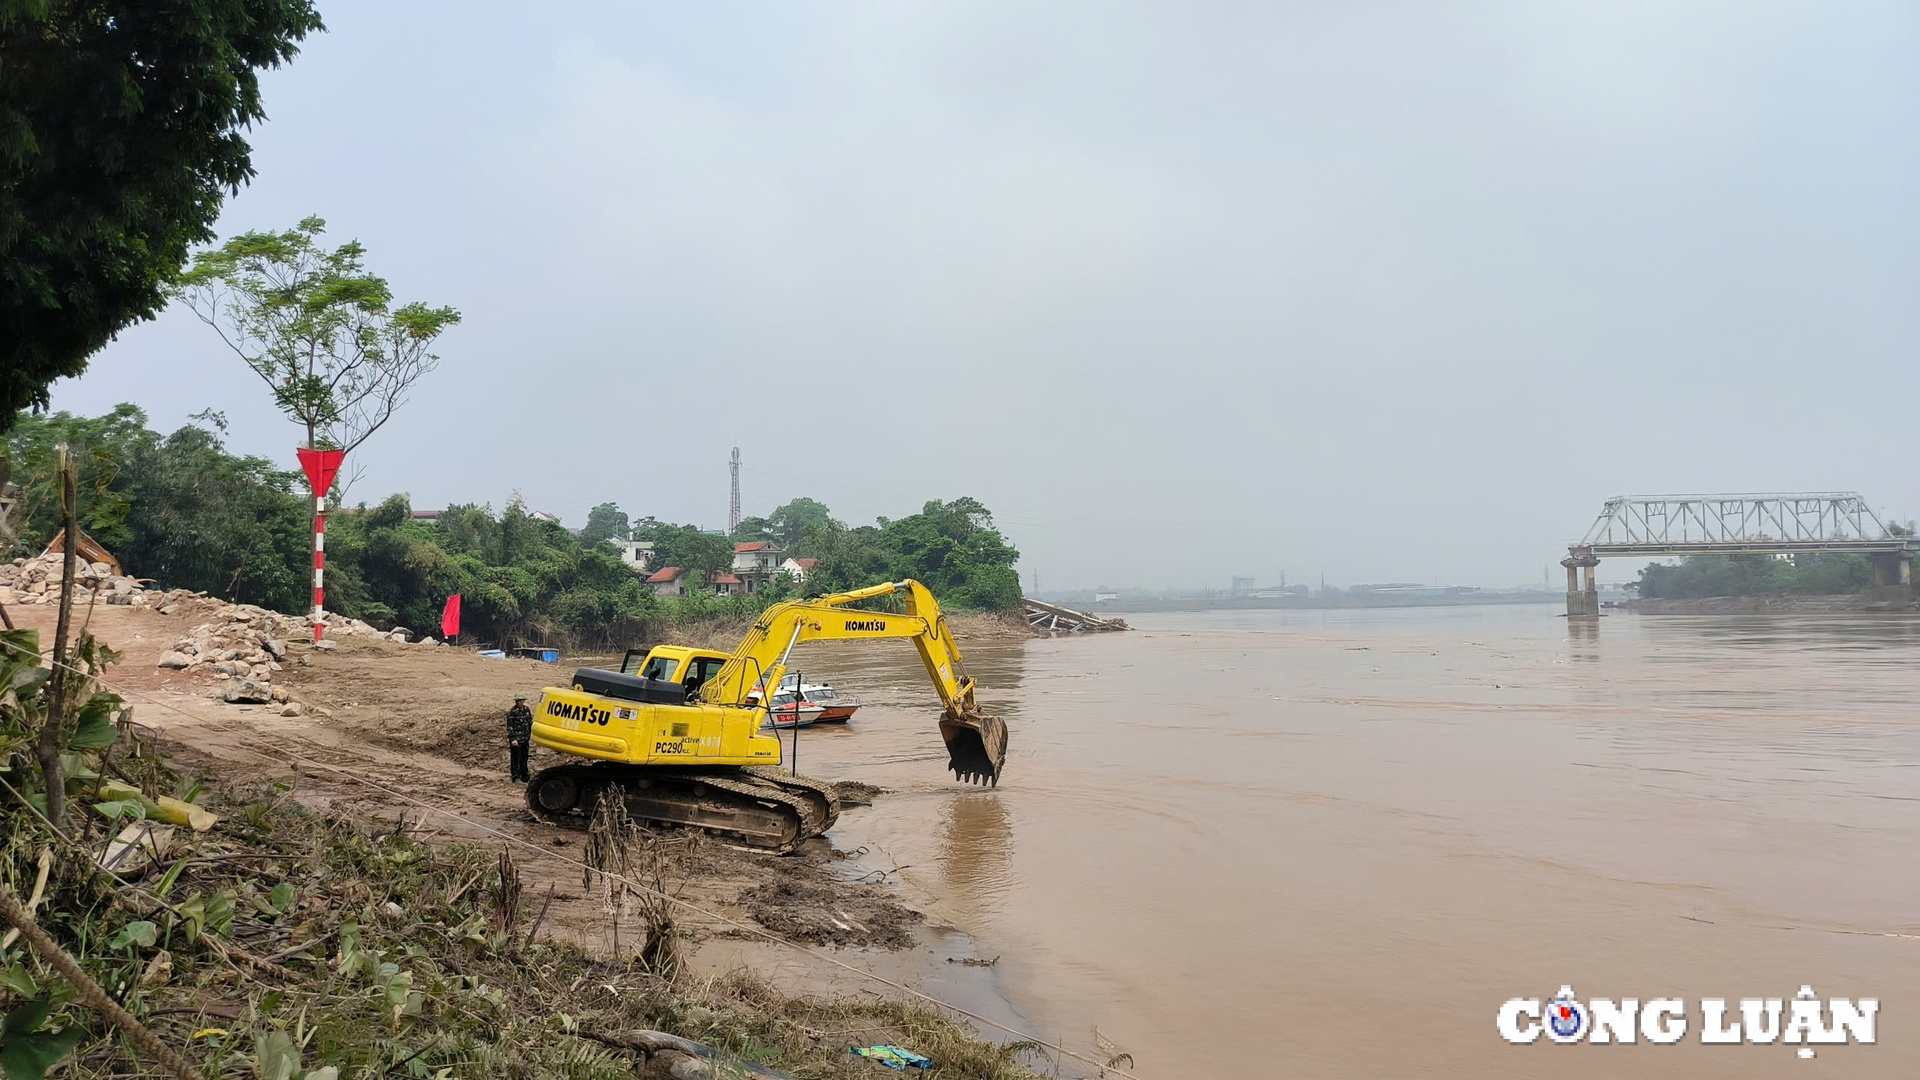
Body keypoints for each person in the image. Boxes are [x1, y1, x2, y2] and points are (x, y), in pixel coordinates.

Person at [507, 692, 533, 783]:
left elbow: (530, 723)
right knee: (516, 759)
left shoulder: (527, 710)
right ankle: (515, 777)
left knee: (524, 758)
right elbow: (510, 727)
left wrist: (530, 735)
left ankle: (525, 776)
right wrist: (513, 739)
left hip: (525, 739)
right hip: (516, 740)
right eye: (518, 701)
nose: (519, 703)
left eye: (521, 701)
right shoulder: (512, 712)